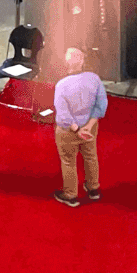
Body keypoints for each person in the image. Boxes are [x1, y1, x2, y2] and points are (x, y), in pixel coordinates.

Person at [51, 47, 107, 207]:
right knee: (90, 156)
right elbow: (101, 105)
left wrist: (77, 129)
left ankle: (70, 194)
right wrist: (88, 126)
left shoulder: (62, 85)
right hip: (90, 127)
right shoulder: (94, 79)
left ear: (66, 63)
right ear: (82, 61)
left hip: (68, 131)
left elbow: (63, 115)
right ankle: (93, 189)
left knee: (68, 161)